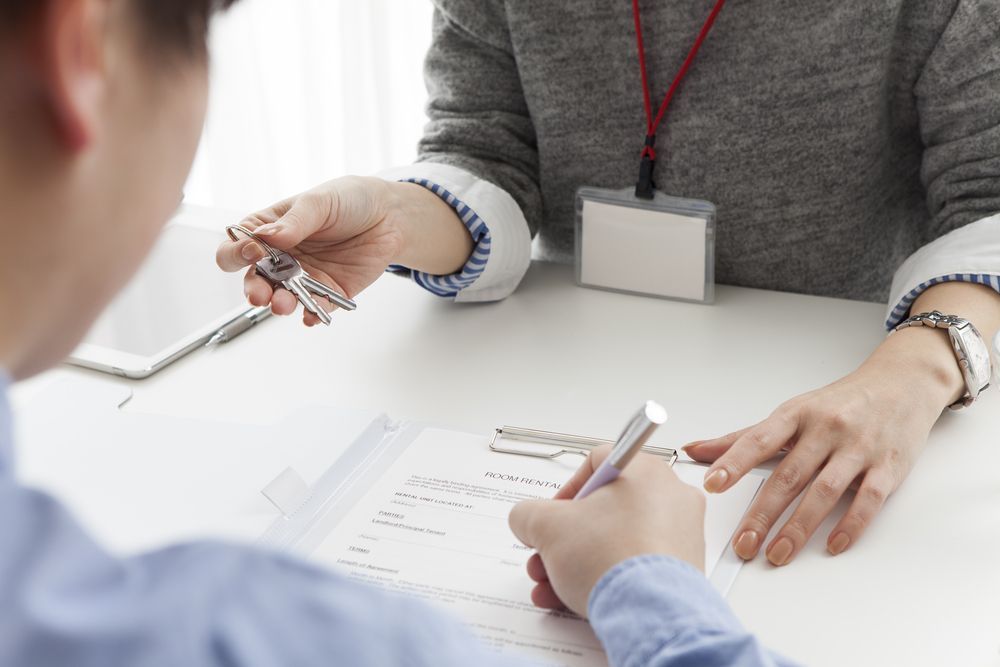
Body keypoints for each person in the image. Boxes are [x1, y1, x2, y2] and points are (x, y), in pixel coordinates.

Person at [0, 0, 795, 665]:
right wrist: (650, 587)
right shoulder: (310, 640)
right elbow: (486, 146)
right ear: (84, 56)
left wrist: (921, 355)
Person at [217, 0, 1000, 568]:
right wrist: (390, 216)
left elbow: (988, 200)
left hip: (834, 395)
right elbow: (485, 149)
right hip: (570, 392)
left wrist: (922, 367)